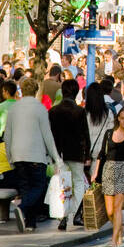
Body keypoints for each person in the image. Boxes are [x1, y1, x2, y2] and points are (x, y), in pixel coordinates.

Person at [3, 77, 65, 230]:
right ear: (36, 90)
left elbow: (7, 135)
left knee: (25, 188)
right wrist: (56, 157)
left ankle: (30, 223)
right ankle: (23, 208)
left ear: (21, 91)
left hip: (18, 154)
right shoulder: (40, 109)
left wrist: (9, 155)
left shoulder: (13, 109)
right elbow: (47, 135)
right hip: (36, 155)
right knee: (39, 186)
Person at [92, 107, 124, 247]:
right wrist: (95, 173)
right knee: (109, 211)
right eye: (123, 118)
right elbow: (101, 154)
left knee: (117, 206)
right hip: (108, 170)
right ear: (118, 118)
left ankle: (114, 240)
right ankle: (120, 227)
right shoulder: (108, 133)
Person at [48, 79, 91, 230]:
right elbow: (85, 135)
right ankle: (76, 214)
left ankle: (63, 216)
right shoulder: (80, 111)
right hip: (76, 152)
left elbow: (50, 135)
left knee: (63, 185)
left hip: (59, 153)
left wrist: (52, 154)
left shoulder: (53, 111)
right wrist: (87, 155)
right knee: (79, 183)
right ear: (76, 92)